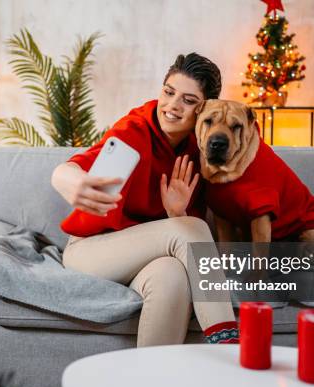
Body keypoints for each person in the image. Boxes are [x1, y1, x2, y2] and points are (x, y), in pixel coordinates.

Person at [51, 53, 238, 347]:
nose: (173, 106)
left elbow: (180, 242)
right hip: (90, 251)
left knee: (172, 277)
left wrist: (175, 213)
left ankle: (151, 386)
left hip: (145, 260)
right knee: (193, 229)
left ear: (203, 111)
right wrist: (68, 180)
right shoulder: (134, 131)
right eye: (169, 92)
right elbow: (72, 167)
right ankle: (229, 346)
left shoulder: (198, 148)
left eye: (188, 101)